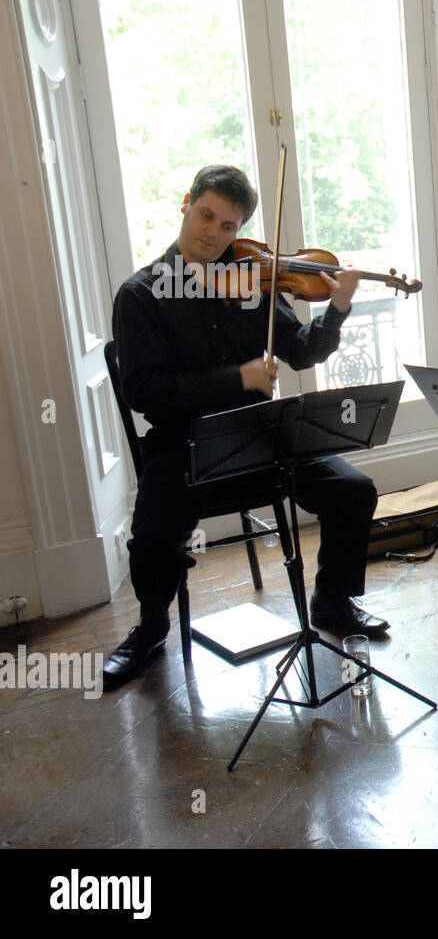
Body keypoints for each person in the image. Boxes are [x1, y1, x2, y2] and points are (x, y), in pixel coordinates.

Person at [105, 164, 388, 690]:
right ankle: (149, 629)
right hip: (186, 442)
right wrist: (235, 376)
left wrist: (340, 307)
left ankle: (331, 601)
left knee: (353, 489)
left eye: (228, 226)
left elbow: (301, 351)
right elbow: (144, 392)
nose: (213, 233)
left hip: (262, 433)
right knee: (151, 537)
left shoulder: (252, 277)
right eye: (206, 215)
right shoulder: (141, 294)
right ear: (186, 203)